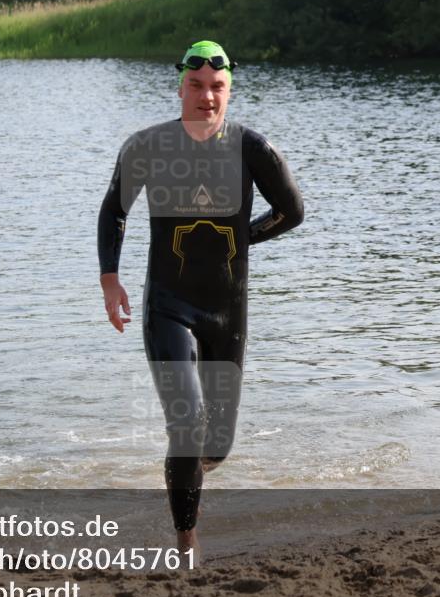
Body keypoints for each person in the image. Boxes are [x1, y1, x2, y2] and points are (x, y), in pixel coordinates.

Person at [97, 41, 304, 556]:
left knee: (216, 446)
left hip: (227, 312)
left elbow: (292, 211)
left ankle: (185, 470)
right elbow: (115, 210)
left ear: (229, 90)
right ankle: (186, 543)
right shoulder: (148, 146)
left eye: (217, 87)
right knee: (187, 426)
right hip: (167, 306)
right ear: (180, 87)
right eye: (196, 86)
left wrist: (240, 238)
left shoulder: (252, 149)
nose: (206, 96)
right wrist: (110, 279)